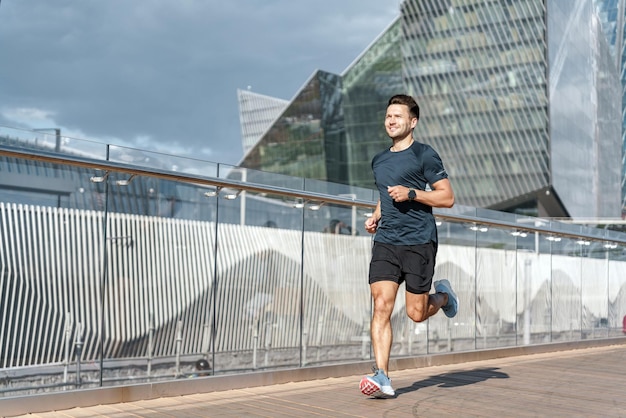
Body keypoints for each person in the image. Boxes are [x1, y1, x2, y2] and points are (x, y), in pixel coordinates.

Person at [359, 94, 459, 399]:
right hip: (387, 242)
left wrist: (413, 194)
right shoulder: (379, 160)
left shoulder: (424, 155)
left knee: (416, 313)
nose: (391, 121)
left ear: (412, 122)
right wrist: (376, 216)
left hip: (419, 242)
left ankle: (442, 296)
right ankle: (382, 376)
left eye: (397, 117)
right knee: (381, 306)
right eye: (388, 116)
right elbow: (385, 195)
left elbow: (447, 197)